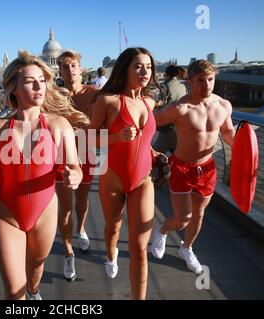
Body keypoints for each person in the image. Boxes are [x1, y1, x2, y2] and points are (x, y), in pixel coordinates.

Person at [0, 51, 87, 300]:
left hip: (44, 212)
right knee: (14, 292)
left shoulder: (58, 125)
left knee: (35, 267)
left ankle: (34, 291)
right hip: (6, 213)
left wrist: (74, 177)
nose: (38, 86)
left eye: (42, 80)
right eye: (29, 81)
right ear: (13, 88)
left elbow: (76, 168)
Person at [151, 60, 235, 274]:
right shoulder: (180, 108)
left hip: (207, 169)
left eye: (210, 80)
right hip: (181, 168)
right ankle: (161, 230)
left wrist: (245, 149)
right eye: (200, 81)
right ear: (190, 82)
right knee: (182, 219)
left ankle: (186, 249)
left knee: (198, 215)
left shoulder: (223, 105)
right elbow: (150, 120)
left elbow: (226, 133)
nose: (206, 85)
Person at [89, 47, 159, 299]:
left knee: (140, 248)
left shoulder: (150, 102)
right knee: (113, 226)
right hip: (113, 178)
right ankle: (110, 254)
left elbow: (145, 139)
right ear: (125, 69)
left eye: (149, 67)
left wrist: (152, 152)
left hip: (143, 181)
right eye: (138, 66)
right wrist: (117, 136)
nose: (145, 72)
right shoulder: (107, 101)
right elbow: (89, 139)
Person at [56, 50, 99, 281]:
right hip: (61, 154)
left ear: (81, 68)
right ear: (59, 71)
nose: (70, 70)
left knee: (82, 200)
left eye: (73, 65)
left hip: (86, 151)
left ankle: (80, 229)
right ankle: (68, 251)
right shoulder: (54, 95)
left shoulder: (95, 93)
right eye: (64, 66)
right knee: (65, 207)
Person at [152, 65, 188, 155]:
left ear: (166, 74)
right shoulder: (183, 86)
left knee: (154, 155)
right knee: (177, 152)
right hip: (179, 125)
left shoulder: (164, 87)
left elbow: (159, 105)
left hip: (167, 125)